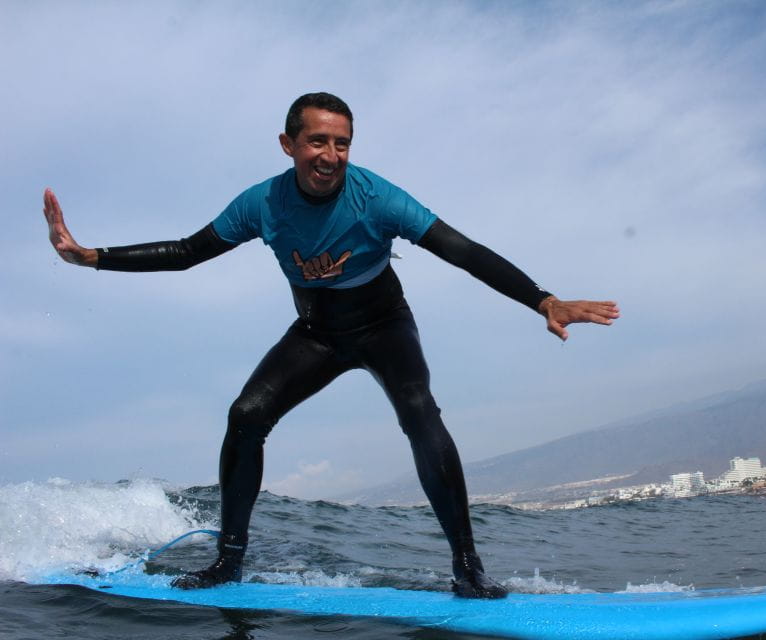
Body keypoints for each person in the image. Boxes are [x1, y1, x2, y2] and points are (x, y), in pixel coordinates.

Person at [43, 92, 619, 599]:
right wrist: (92, 256)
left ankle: (468, 568)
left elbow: (461, 250)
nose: (331, 155)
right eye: (318, 141)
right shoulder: (262, 204)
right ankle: (228, 561)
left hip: (383, 323)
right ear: (288, 144)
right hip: (317, 332)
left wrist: (542, 300)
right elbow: (189, 251)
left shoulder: (377, 197)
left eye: (342, 143)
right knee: (245, 416)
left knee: (421, 416)